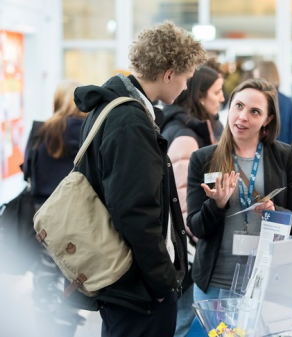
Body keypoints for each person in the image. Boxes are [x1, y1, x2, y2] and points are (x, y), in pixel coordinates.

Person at [71, 21, 207, 337]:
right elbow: (135, 210)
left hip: (125, 279)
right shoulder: (130, 120)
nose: (186, 87)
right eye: (186, 79)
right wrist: (163, 283)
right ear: (169, 73)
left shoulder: (111, 107)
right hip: (138, 288)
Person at [186, 78, 292, 301]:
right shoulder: (204, 159)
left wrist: (276, 213)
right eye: (239, 106)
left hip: (268, 285)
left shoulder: (286, 157)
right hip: (215, 285)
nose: (243, 117)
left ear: (268, 119)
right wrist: (217, 205)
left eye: (255, 112)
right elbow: (196, 227)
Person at [159, 65, 225, 337]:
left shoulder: (194, 129)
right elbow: (185, 199)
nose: (222, 98)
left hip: (186, 244)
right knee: (183, 320)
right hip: (186, 247)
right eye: (217, 91)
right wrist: (202, 237)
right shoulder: (187, 135)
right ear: (200, 95)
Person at [21, 80, 87, 337]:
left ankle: (45, 321)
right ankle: (65, 320)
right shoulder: (87, 132)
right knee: (70, 266)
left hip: (41, 212)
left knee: (45, 267)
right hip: (73, 213)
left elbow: (27, 170)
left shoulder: (41, 130)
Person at [253, 61, 292, 144]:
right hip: (284, 151)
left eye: (256, 77)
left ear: (262, 76)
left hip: (262, 152)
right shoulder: (288, 101)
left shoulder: (258, 100)